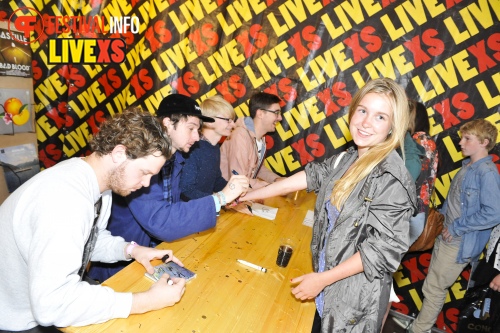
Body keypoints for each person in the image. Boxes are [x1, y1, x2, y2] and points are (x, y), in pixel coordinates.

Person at [242, 78, 417, 332]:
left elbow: (382, 252)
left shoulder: (391, 178)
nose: (366, 122)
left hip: (353, 297)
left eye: (380, 117)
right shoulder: (349, 158)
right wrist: (251, 194)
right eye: (363, 110)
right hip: (330, 282)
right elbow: (311, 176)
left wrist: (322, 279)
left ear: (393, 126)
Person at [0, 109, 186, 332]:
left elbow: (89, 240)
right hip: (16, 320)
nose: (146, 184)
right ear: (119, 153)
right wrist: (145, 301)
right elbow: (52, 304)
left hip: (34, 306)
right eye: (144, 172)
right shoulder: (66, 200)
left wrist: (131, 250)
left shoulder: (95, 183)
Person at [89, 94, 249, 282]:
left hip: (146, 255)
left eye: (198, 130)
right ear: (167, 124)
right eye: (191, 128)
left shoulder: (176, 160)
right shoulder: (140, 160)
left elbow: (173, 205)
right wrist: (220, 199)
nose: (197, 137)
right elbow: (160, 220)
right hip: (117, 270)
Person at [406, 118, 500, 333]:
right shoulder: (470, 167)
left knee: (434, 288)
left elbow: (494, 213)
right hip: (449, 237)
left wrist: (456, 227)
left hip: (458, 242)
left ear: (485, 142)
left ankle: (418, 330)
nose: (461, 143)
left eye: (468, 139)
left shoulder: (486, 173)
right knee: (433, 286)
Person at [220, 92, 284, 189]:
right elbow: (238, 179)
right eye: (276, 113)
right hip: (226, 197)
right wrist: (272, 187)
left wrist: (276, 179)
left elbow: (258, 169)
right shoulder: (240, 136)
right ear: (260, 114)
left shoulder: (260, 139)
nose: (280, 118)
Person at [180, 95, 236, 200]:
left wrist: (235, 191)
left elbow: (216, 181)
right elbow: (186, 190)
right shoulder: (192, 149)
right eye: (228, 120)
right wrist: (220, 199)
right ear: (209, 121)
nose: (233, 125)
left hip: (204, 209)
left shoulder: (214, 148)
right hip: (189, 212)